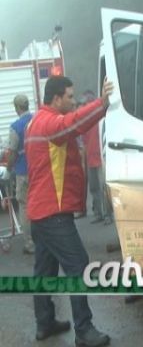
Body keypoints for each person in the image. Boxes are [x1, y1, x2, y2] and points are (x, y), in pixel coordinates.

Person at [25, 75, 113, 347]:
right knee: (78, 267)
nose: (73, 102)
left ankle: (45, 323)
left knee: (44, 273)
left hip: (39, 212)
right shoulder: (50, 122)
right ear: (56, 98)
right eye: (70, 97)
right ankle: (84, 330)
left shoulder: (34, 122)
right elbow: (72, 124)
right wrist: (102, 104)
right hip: (52, 213)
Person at [6, 94, 34, 254]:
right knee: (40, 204)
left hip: (23, 172)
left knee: (24, 206)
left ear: (17, 108)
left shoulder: (16, 127)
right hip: (38, 170)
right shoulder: (36, 120)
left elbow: (11, 153)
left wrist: (8, 170)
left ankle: (30, 244)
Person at [80, 91, 110, 225]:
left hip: (100, 159)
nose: (83, 106)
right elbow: (84, 142)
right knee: (94, 188)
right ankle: (98, 213)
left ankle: (108, 215)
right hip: (91, 159)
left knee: (103, 188)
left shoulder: (100, 117)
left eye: (85, 103)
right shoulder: (86, 121)